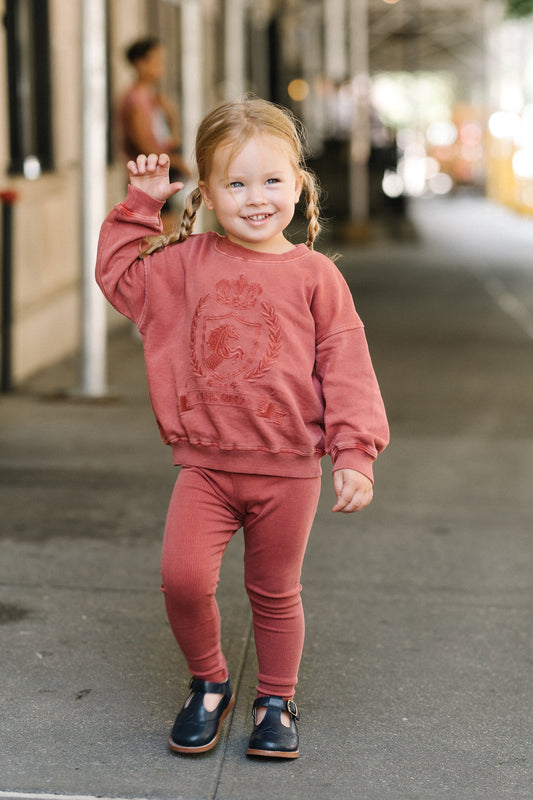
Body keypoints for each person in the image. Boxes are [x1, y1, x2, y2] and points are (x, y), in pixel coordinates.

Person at [96, 97, 389, 759]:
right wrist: (139, 207)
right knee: (181, 580)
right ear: (206, 192)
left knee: (275, 591)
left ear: (298, 186)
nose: (255, 199)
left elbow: (346, 365)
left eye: (270, 181)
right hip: (205, 465)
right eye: (234, 184)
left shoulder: (315, 276)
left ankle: (275, 700)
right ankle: (209, 682)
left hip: (288, 471)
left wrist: (354, 452)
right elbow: (118, 277)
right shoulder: (184, 264)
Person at [118, 37, 192, 187]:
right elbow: (143, 145)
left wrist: (170, 111)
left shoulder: (154, 97)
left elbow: (170, 135)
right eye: (156, 61)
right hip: (148, 175)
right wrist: (177, 162)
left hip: (161, 169)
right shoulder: (135, 100)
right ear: (140, 64)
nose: (162, 66)